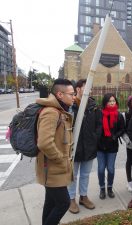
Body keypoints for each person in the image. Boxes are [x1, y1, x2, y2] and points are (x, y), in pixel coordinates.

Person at [36, 78, 75, 225]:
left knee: (51, 202)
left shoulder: (59, 110)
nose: (74, 96)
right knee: (64, 203)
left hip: (54, 169)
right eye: (71, 94)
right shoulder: (51, 112)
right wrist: (60, 158)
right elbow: (44, 143)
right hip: (52, 169)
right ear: (60, 94)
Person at [68, 79, 98, 214]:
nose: (89, 90)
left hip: (89, 146)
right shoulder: (70, 105)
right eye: (86, 87)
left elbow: (99, 125)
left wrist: (94, 138)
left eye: (90, 87)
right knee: (72, 175)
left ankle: (83, 197)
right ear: (78, 89)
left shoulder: (93, 105)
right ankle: (71, 199)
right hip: (74, 147)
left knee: (85, 174)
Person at [96, 93, 125, 200]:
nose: (112, 103)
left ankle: (109, 188)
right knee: (100, 169)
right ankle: (102, 188)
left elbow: (122, 129)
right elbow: (96, 128)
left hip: (112, 146)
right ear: (105, 102)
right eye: (109, 101)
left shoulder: (119, 115)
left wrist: (115, 136)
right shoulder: (99, 114)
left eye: (113, 101)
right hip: (100, 146)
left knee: (111, 169)